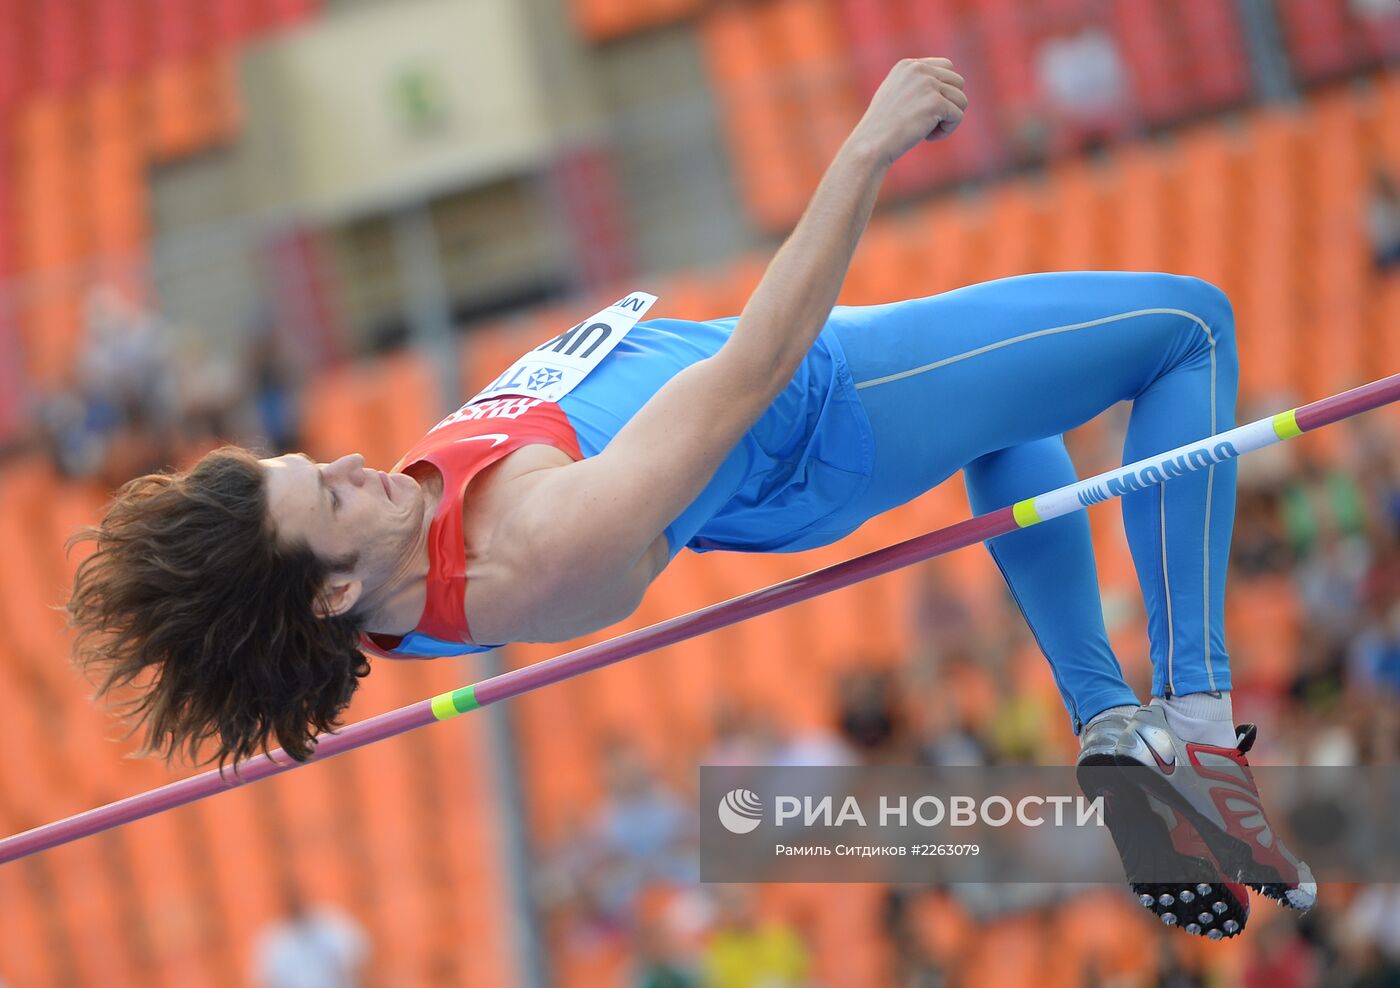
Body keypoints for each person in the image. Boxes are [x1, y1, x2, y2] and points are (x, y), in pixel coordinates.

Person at [68, 58, 1311, 937]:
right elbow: (749, 371)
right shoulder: (540, 550)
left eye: (315, 463)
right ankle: (1196, 728)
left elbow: (310, 589)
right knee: (1184, 329)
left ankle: (1109, 727)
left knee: (1019, 417)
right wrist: (863, 148)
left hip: (784, 400)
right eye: (325, 496)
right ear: (335, 583)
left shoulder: (380, 563)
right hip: (822, 404)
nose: (349, 464)